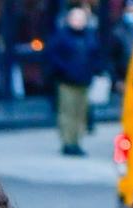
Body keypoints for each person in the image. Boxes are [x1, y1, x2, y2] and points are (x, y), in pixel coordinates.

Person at [46, 5, 101, 156]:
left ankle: (77, 141)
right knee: (67, 113)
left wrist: (95, 70)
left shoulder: (89, 37)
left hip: (84, 81)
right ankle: (68, 142)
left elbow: (95, 56)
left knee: (81, 113)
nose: (78, 22)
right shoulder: (61, 37)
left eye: (81, 19)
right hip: (67, 81)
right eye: (75, 19)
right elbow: (53, 57)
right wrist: (64, 70)